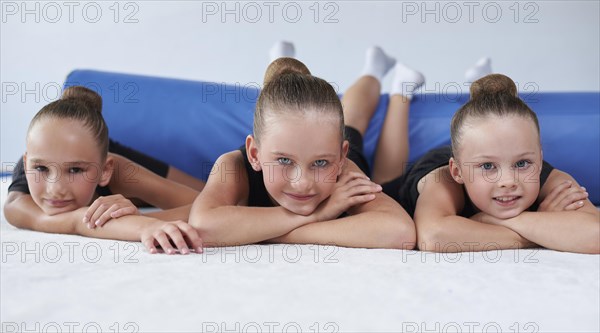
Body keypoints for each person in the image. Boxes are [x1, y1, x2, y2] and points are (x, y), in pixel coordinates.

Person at [189, 43, 420, 249]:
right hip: (306, 133)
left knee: (359, 133)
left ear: (341, 158)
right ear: (254, 153)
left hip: (329, 138)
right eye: (284, 161)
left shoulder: (345, 171)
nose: (302, 183)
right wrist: (317, 215)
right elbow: (203, 225)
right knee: (338, 123)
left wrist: (267, 234)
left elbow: (400, 232)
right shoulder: (233, 165)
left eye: (320, 163)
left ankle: (387, 79)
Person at [381, 72, 599, 254]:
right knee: (383, 176)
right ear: (457, 171)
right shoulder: (443, 182)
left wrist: (490, 220)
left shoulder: (551, 180)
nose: (508, 181)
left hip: (477, 151)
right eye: (488, 167)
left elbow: (595, 234)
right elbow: (433, 236)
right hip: (427, 169)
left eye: (522, 163)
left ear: (540, 161)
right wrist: (544, 230)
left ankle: (482, 93)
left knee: (491, 146)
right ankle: (400, 93)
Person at [4, 90, 203, 255]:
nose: (55, 189)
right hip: (88, 152)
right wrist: (140, 224)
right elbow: (76, 222)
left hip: (98, 150)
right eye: (41, 168)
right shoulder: (17, 206)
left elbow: (208, 206)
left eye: (74, 170)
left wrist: (137, 219)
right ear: (26, 162)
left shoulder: (117, 170)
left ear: (104, 170)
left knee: (224, 194)